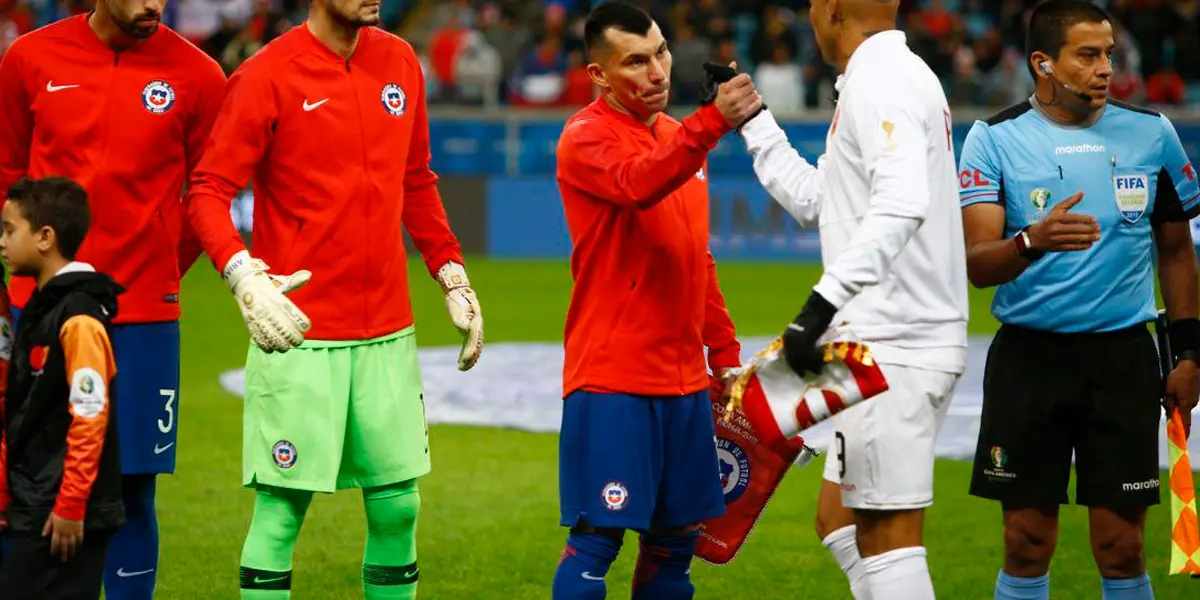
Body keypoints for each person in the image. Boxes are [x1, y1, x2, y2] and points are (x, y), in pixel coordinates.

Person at [182, 0, 485, 596]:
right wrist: (242, 275)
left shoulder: (400, 61)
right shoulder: (267, 74)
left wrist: (452, 274)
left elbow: (416, 179)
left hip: (387, 331)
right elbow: (208, 190)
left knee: (399, 505)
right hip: (298, 330)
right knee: (282, 509)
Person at [958, 2, 1200, 599]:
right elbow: (976, 264)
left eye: (1109, 54)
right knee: (1025, 543)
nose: (1105, 68)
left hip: (1123, 362)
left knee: (1122, 548)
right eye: (1088, 55)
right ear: (1043, 63)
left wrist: (1190, 354)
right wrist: (1030, 241)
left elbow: (1176, 252)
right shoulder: (993, 139)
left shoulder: (1153, 134)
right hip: (1028, 363)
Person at [735, 1, 969, 598]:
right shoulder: (880, 76)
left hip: (895, 345)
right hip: (883, 342)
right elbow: (821, 199)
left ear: (832, 8)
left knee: (888, 536)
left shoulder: (883, 81)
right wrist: (756, 121)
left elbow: (902, 203)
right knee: (838, 519)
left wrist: (820, 306)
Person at [0, 2, 226, 598]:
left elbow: (208, 191)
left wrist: (158, 270)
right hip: (37, 311)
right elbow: (7, 172)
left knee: (132, 485)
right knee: (26, 476)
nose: (154, 4)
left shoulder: (200, 75)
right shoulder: (29, 58)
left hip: (143, 315)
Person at [549, 3, 762, 599]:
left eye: (661, 52)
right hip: (613, 379)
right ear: (599, 74)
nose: (658, 72)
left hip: (684, 383)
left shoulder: (676, 139)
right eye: (636, 62)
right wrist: (711, 123)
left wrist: (723, 354)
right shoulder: (584, 137)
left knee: (675, 547)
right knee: (597, 542)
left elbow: (694, 254)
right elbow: (638, 183)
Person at [0, 176, 124, 600]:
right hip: (38, 500)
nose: (2, 242)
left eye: (9, 230)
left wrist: (71, 504)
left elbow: (90, 416)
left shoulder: (80, 318)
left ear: (45, 237)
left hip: (63, 512)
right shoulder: (42, 308)